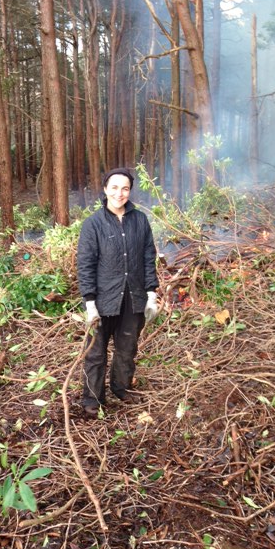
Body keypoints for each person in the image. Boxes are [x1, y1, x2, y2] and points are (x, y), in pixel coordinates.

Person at [77, 167, 159, 418]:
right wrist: (89, 302)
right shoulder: (93, 224)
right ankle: (92, 397)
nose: (119, 193)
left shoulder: (140, 220)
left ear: (130, 191)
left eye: (124, 188)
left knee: (127, 347)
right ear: (105, 190)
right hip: (103, 300)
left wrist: (151, 293)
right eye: (114, 187)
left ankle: (121, 387)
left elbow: (148, 256)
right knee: (96, 351)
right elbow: (86, 264)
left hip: (133, 298)